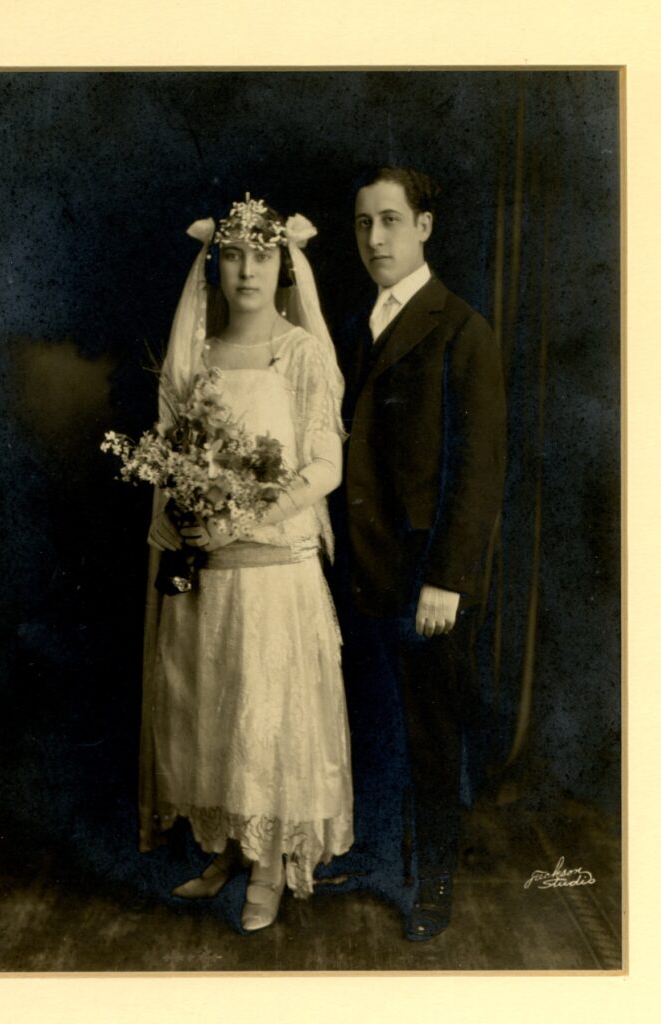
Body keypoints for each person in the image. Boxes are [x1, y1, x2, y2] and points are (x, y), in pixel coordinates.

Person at [138, 194, 353, 933]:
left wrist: (253, 514)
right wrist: (179, 512)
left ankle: (268, 866)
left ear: (284, 263)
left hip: (275, 570)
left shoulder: (302, 354)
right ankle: (229, 846)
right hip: (210, 574)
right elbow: (172, 459)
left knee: (267, 716)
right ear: (214, 265)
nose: (248, 270)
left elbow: (326, 465)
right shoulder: (195, 360)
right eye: (233, 254)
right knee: (212, 708)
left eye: (263, 254)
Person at [341, 167, 506, 941]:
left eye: (392, 221)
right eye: (365, 224)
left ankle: (433, 885)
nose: (377, 238)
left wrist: (447, 578)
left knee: (433, 733)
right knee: (377, 721)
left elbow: (478, 470)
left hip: (425, 576)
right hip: (366, 565)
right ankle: (377, 858)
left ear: (425, 227)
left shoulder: (461, 328)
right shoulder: (359, 324)